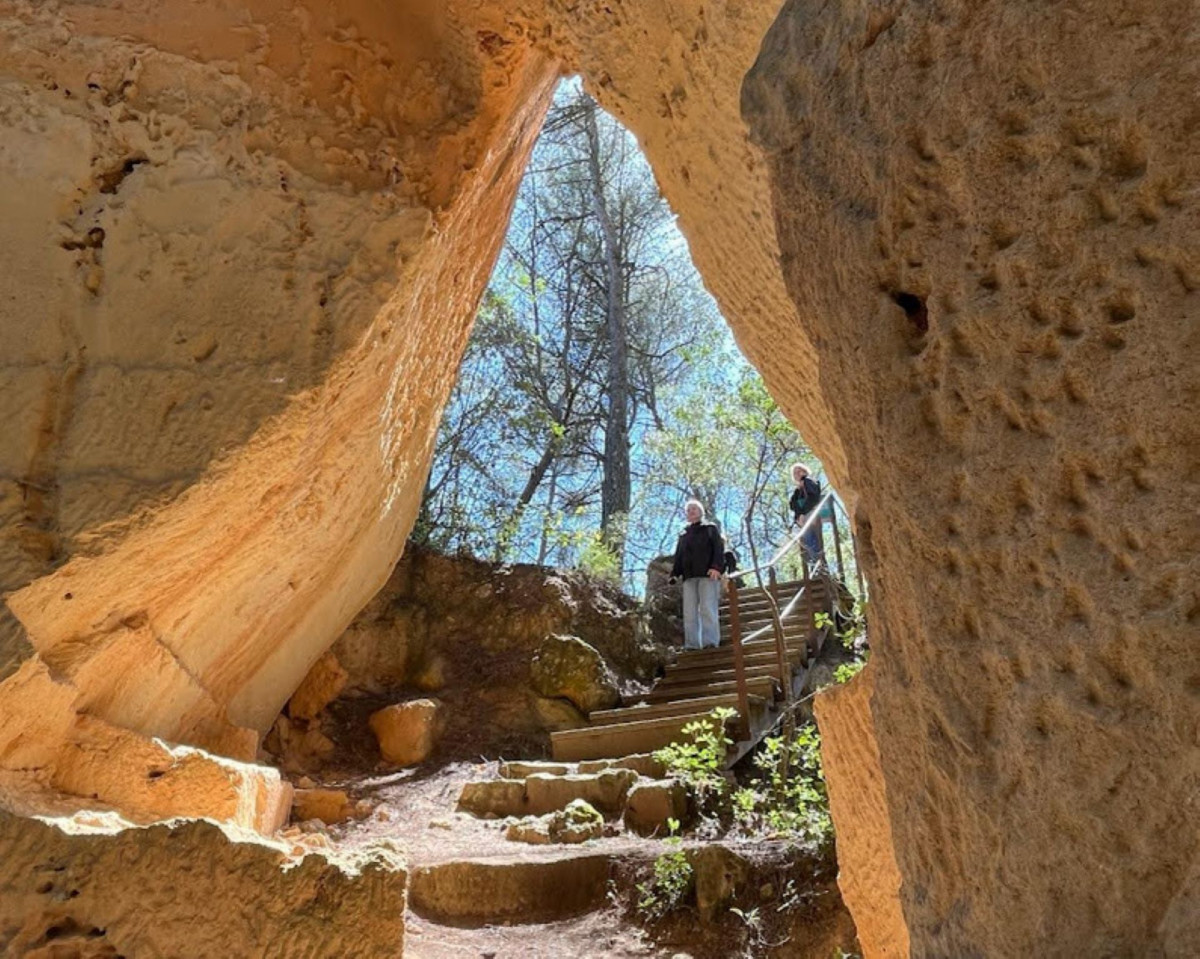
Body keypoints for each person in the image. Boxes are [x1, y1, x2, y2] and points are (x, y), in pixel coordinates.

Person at [669, 500, 724, 650]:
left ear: (701, 512)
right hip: (689, 576)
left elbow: (718, 549)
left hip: (707, 574)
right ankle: (692, 645)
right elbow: (679, 556)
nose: (691, 511)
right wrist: (675, 573)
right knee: (689, 612)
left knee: (707, 608)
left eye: (694, 509)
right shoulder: (684, 535)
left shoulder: (710, 529)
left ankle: (710, 642)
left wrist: (716, 567)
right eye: (688, 510)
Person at [789, 463, 824, 564]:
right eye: (795, 473)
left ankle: (817, 563)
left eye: (800, 471)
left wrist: (803, 513)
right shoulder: (797, 491)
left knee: (810, 538)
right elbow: (792, 505)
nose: (798, 474)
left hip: (811, 514)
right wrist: (799, 515)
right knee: (806, 541)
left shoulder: (809, 481)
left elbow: (813, 497)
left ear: (805, 471)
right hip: (802, 518)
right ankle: (815, 564)